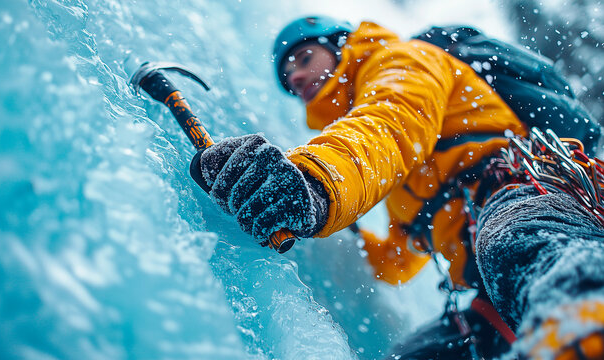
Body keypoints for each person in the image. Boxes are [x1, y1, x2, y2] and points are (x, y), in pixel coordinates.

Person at [199, 16, 604, 359]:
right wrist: (351, 243)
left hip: (523, 191)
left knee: (520, 243)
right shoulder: (404, 181)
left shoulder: (403, 59)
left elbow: (393, 123)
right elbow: (400, 258)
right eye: (289, 78)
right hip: (487, 287)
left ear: (342, 45)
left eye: (305, 58)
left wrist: (315, 183)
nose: (298, 76)